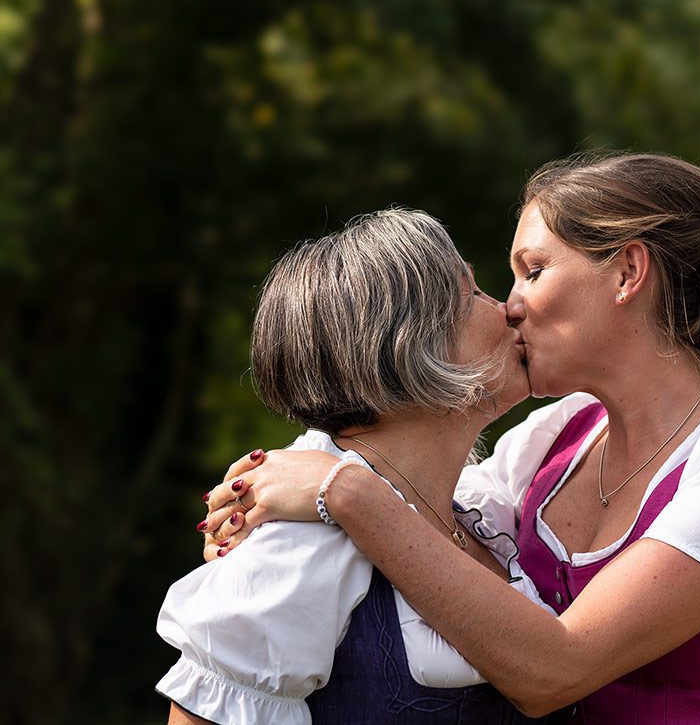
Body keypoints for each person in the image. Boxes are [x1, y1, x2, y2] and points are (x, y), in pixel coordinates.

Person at [204, 153, 700, 724]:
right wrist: (264, 510)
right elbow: (422, 505)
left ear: (627, 272)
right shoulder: (556, 437)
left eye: (533, 271)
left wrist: (342, 491)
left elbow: (555, 672)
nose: (511, 305)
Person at [156, 208, 557, 724]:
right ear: (411, 342)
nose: (510, 308)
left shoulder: (482, 510)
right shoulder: (302, 544)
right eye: (474, 293)